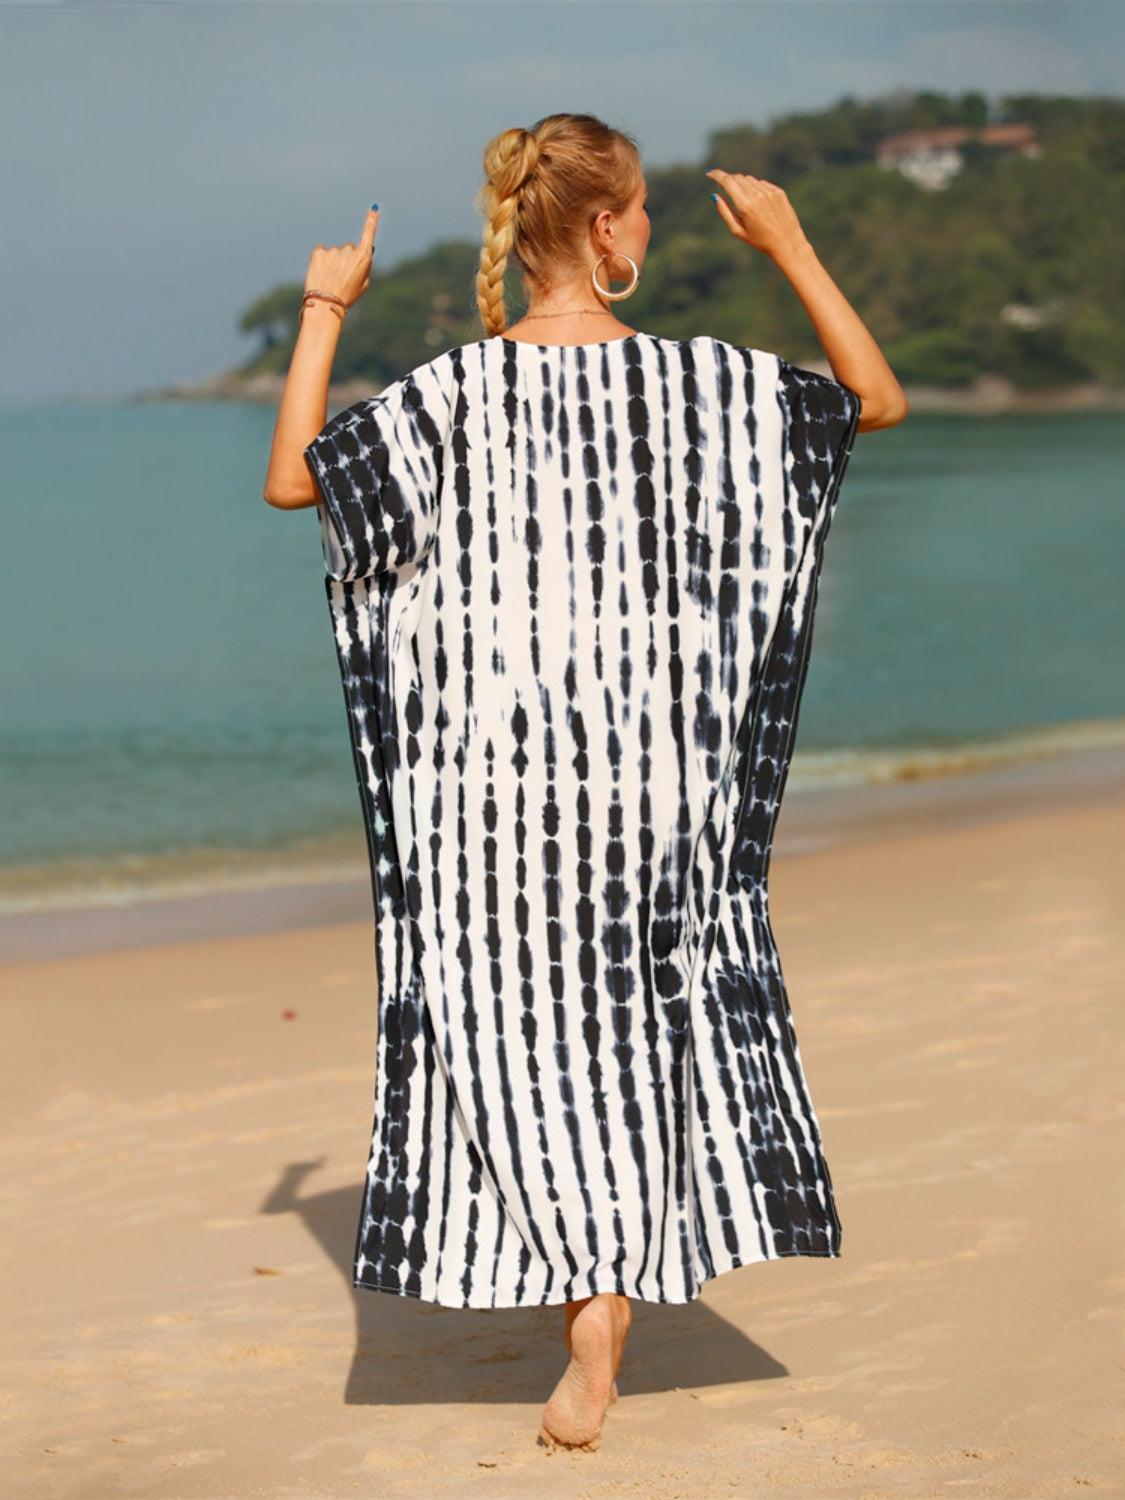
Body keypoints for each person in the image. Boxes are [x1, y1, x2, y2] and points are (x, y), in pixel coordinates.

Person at [263, 111, 907, 1454]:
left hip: (491, 794)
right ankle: (609, 1298)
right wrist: (790, 244)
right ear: (608, 228)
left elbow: (293, 481)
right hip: (650, 784)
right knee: (632, 1032)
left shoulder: (449, 392)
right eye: (646, 208)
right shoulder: (704, 385)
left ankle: (587, 1306)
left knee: (524, 1042)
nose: (651, 225)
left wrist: (326, 305)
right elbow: (872, 400)